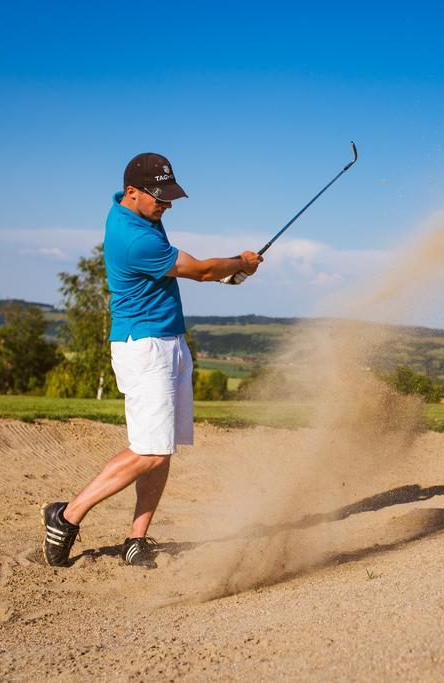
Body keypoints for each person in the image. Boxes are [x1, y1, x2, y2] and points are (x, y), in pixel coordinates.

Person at [41, 152, 262, 569]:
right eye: (159, 198)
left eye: (169, 197)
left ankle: (135, 540)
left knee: (162, 448)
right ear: (132, 192)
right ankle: (66, 515)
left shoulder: (139, 212)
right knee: (151, 451)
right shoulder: (133, 237)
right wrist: (239, 264)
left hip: (169, 341)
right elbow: (196, 271)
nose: (167, 206)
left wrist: (231, 272)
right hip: (144, 348)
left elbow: (194, 270)